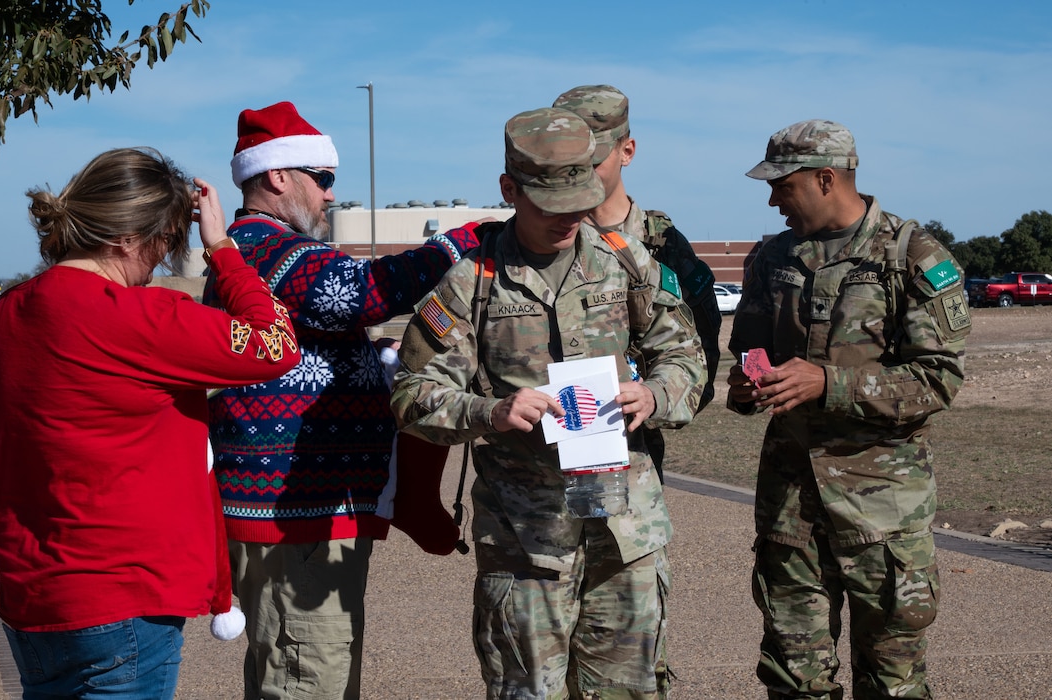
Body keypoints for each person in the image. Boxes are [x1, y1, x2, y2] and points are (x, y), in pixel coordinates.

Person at [391, 107, 708, 699]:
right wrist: (490, 412)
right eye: (549, 206)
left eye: (580, 201)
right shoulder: (472, 282)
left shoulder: (625, 261)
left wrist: (655, 394)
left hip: (625, 534)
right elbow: (411, 395)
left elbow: (686, 358)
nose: (569, 219)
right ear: (509, 189)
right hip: (525, 540)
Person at [0, 147, 300, 698]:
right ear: (128, 238)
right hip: (122, 597)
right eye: (168, 239)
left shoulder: (2, 315)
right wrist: (223, 247)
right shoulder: (142, 318)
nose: (165, 256)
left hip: (32, 594)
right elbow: (276, 344)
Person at [205, 101, 480, 700]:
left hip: (302, 513)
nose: (331, 196)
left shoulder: (263, 250)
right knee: (309, 678)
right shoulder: (260, 247)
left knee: (293, 670)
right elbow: (358, 292)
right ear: (277, 176)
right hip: (293, 517)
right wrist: (462, 244)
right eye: (323, 180)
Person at [727, 119, 971, 699]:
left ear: (824, 179)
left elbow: (938, 380)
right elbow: (751, 350)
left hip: (879, 507)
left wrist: (829, 383)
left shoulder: (912, 254)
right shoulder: (772, 256)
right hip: (791, 506)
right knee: (793, 675)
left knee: (892, 680)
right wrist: (746, 387)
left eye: (782, 185)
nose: (772, 199)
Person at [553, 84, 722, 472]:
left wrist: (653, 395)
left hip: (629, 455)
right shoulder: (533, 241)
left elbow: (701, 358)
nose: (578, 176)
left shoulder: (663, 247)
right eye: (565, 165)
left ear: (626, 151)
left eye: (591, 161)